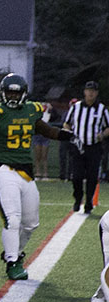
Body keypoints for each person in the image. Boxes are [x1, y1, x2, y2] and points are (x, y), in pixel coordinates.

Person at [0, 73, 77, 280]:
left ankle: (15, 252)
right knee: (12, 219)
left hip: (26, 172)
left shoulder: (32, 110)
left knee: (31, 223)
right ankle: (12, 261)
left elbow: (46, 130)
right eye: (9, 92)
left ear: (23, 94)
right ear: (2, 94)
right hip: (3, 168)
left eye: (16, 92)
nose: (12, 96)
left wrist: (65, 135)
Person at [63, 81, 109, 214]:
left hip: (94, 147)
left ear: (97, 93)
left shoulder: (101, 109)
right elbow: (67, 124)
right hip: (78, 146)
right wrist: (70, 135)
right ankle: (78, 198)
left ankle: (89, 201)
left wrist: (102, 135)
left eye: (93, 91)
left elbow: (108, 127)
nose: (91, 93)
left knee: (92, 177)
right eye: (89, 90)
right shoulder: (76, 107)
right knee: (76, 176)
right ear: (84, 91)